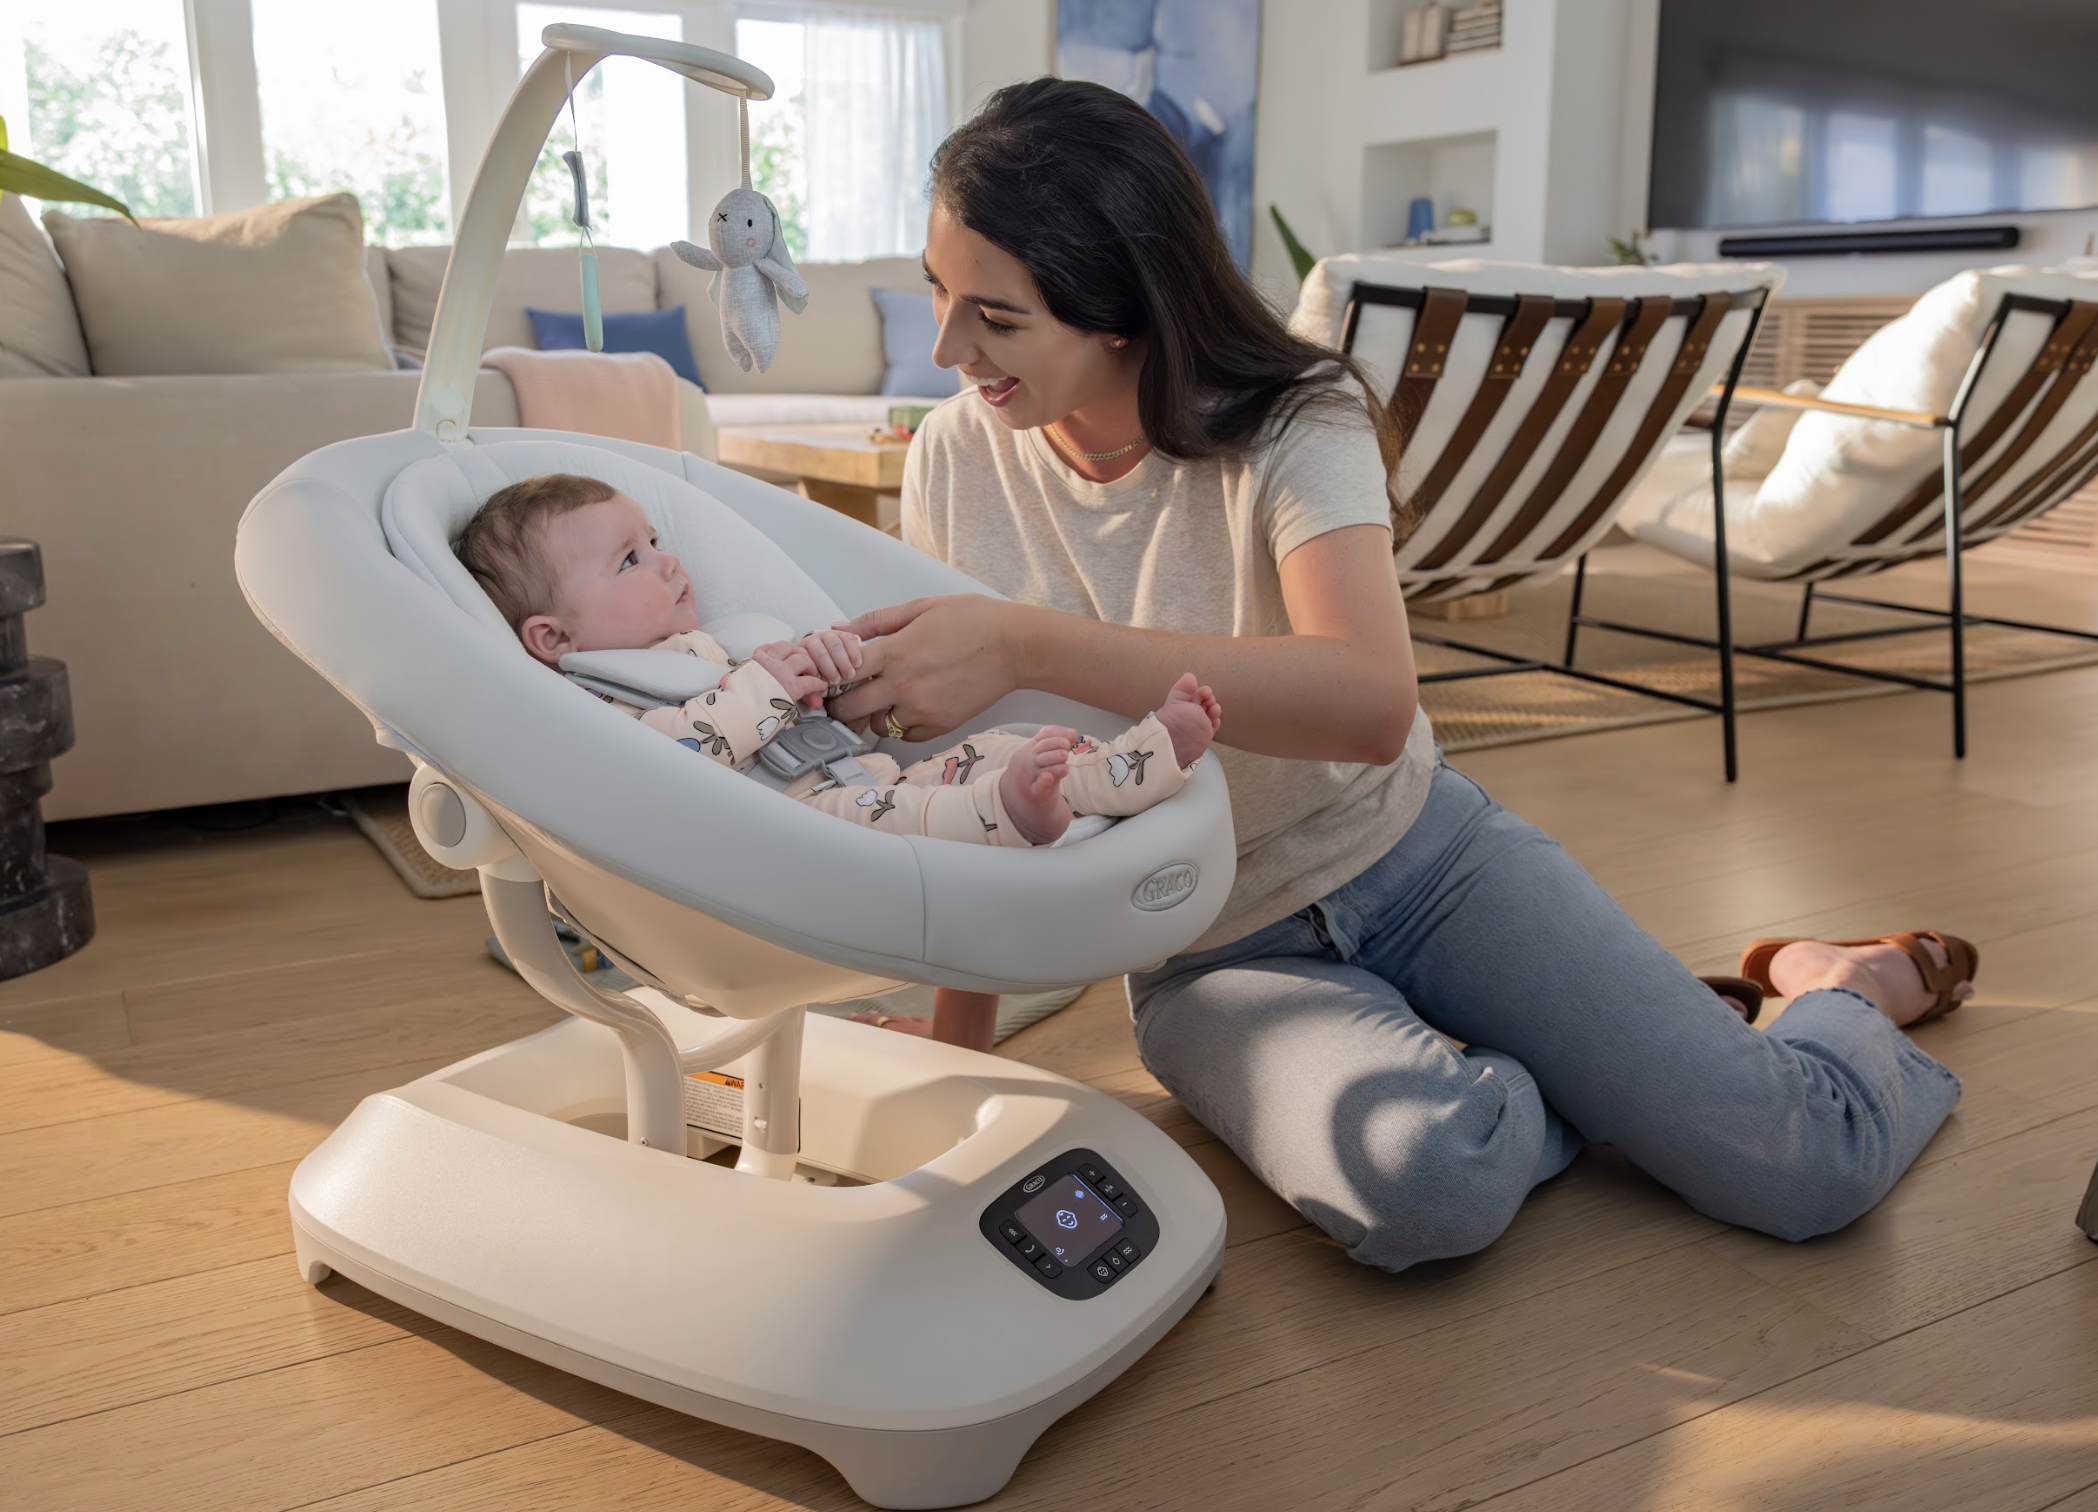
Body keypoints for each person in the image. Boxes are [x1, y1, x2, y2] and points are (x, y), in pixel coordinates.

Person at [826, 77, 1974, 1269]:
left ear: (1122, 308)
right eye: (938, 294)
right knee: (1426, 1183)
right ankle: (1590, 1060)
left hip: (1424, 860)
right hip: (1210, 950)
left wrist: (1024, 639)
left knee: (1808, 1165)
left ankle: (1849, 985)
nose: (948, 349)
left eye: (996, 318)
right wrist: (962, 1046)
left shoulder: (1292, 415)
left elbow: (1369, 705)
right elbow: (970, 781)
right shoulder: (957, 456)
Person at [452, 471, 1222, 848]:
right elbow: (668, 763)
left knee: (999, 747)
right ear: (553, 638)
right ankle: (1021, 816)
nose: (665, 562)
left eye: (655, 541)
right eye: (628, 561)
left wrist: (819, 669)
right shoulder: (592, 702)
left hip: (863, 776)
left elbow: (790, 716)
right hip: (799, 825)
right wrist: (765, 689)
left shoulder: (717, 645)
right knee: (930, 813)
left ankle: (1137, 764)